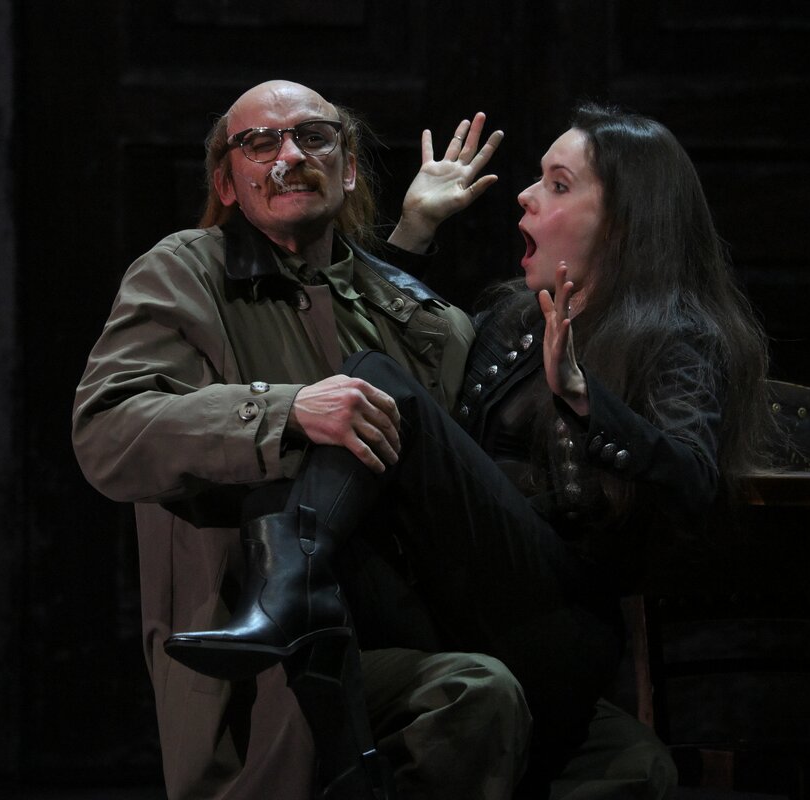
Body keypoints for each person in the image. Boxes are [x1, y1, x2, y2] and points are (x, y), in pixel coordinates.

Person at [167, 101, 773, 793]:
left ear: (624, 220)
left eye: (558, 184)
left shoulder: (680, 335)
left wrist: (586, 402)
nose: (526, 195)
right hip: (463, 611)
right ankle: (299, 623)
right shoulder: (514, 317)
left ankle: (290, 600)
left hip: (557, 630)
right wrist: (414, 230)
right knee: (286, 478)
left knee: (372, 390)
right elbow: (391, 383)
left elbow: (693, 486)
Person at [71, 80, 531, 800]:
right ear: (227, 183)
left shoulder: (428, 321)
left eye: (314, 137)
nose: (289, 155)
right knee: (474, 693)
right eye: (260, 143)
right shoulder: (186, 272)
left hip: (407, 620)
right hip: (273, 657)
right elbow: (108, 429)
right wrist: (284, 411)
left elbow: (447, 454)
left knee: (621, 756)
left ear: (347, 169)